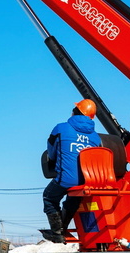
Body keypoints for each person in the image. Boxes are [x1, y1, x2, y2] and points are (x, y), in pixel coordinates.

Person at [42, 99, 102, 243]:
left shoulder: (61, 128)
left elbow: (51, 152)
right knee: (73, 200)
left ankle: (57, 231)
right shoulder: (96, 137)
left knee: (49, 197)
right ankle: (62, 228)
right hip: (87, 180)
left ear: (76, 111)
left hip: (66, 178)